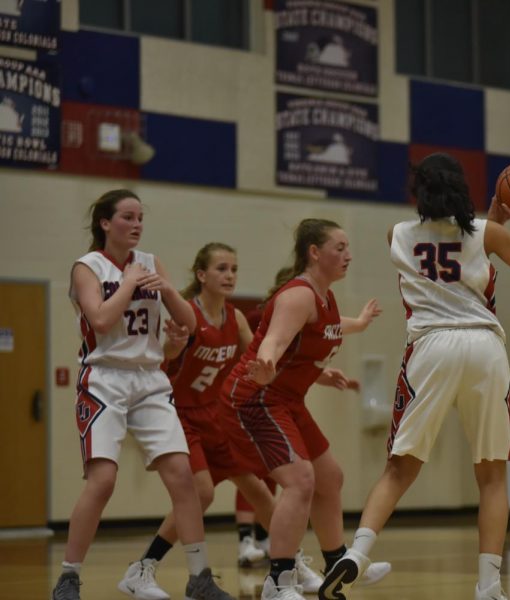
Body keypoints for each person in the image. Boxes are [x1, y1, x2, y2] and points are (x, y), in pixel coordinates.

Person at [318, 152, 510, 600]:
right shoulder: (490, 233)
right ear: (462, 189)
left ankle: (359, 551)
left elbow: (445, 243)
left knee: (398, 468)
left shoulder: (397, 234)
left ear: (418, 191)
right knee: (491, 476)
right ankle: (489, 586)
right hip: (484, 350)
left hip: (430, 348)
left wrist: (493, 221)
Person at [52, 190, 233, 600]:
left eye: (140, 218)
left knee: (182, 477)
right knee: (103, 481)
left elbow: (191, 325)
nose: (136, 225)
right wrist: (129, 283)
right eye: (127, 218)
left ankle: (199, 577)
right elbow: (99, 319)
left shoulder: (150, 263)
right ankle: (68, 577)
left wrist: (169, 293)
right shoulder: (87, 267)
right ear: (105, 223)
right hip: (105, 379)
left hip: (151, 379)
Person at [118, 243, 306, 599]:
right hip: (180, 412)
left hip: (216, 416)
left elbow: (259, 359)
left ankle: (290, 564)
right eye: (221, 269)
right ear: (201, 275)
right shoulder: (187, 313)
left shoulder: (234, 318)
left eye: (234, 269)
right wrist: (173, 346)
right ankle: (144, 567)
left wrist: (313, 372)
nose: (230, 275)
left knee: (259, 491)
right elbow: (166, 356)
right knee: (201, 492)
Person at [217, 219, 388, 600]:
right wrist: (265, 364)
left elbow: (324, 328)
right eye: (339, 248)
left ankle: (336, 564)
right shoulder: (297, 295)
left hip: (285, 400)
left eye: (348, 248)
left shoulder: (324, 297)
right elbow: (274, 341)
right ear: (314, 252)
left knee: (330, 478)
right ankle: (279, 581)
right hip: (255, 399)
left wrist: (356, 327)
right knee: (300, 480)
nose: (348, 255)